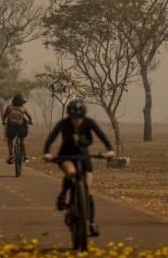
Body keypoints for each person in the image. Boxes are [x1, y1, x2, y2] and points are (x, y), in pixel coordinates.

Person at [43, 100, 115, 237]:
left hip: (83, 156)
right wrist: (47, 152)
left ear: (84, 116)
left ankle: (92, 224)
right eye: (74, 117)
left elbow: (101, 135)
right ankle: (63, 195)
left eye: (80, 117)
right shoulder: (63, 124)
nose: (77, 120)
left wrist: (110, 150)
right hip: (66, 155)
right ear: (69, 116)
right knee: (71, 173)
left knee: (88, 189)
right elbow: (51, 138)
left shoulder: (89, 122)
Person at [2, 93, 33, 164]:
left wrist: (3, 121)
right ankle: (25, 156)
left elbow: (4, 116)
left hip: (11, 127)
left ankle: (11, 154)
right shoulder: (23, 109)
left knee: (10, 139)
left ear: (13, 100)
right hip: (21, 127)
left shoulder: (9, 107)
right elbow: (30, 117)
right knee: (22, 139)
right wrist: (30, 122)